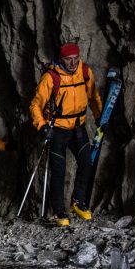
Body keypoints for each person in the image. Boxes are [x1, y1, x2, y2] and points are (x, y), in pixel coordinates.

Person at [29, 42, 103, 227]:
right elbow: (36, 105)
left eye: (75, 58)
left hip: (78, 127)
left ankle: (77, 202)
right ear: (61, 59)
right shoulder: (51, 77)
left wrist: (99, 116)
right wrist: (42, 126)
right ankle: (59, 212)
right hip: (58, 130)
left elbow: (94, 97)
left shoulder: (85, 72)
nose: (73, 63)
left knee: (86, 163)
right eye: (68, 59)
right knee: (59, 172)